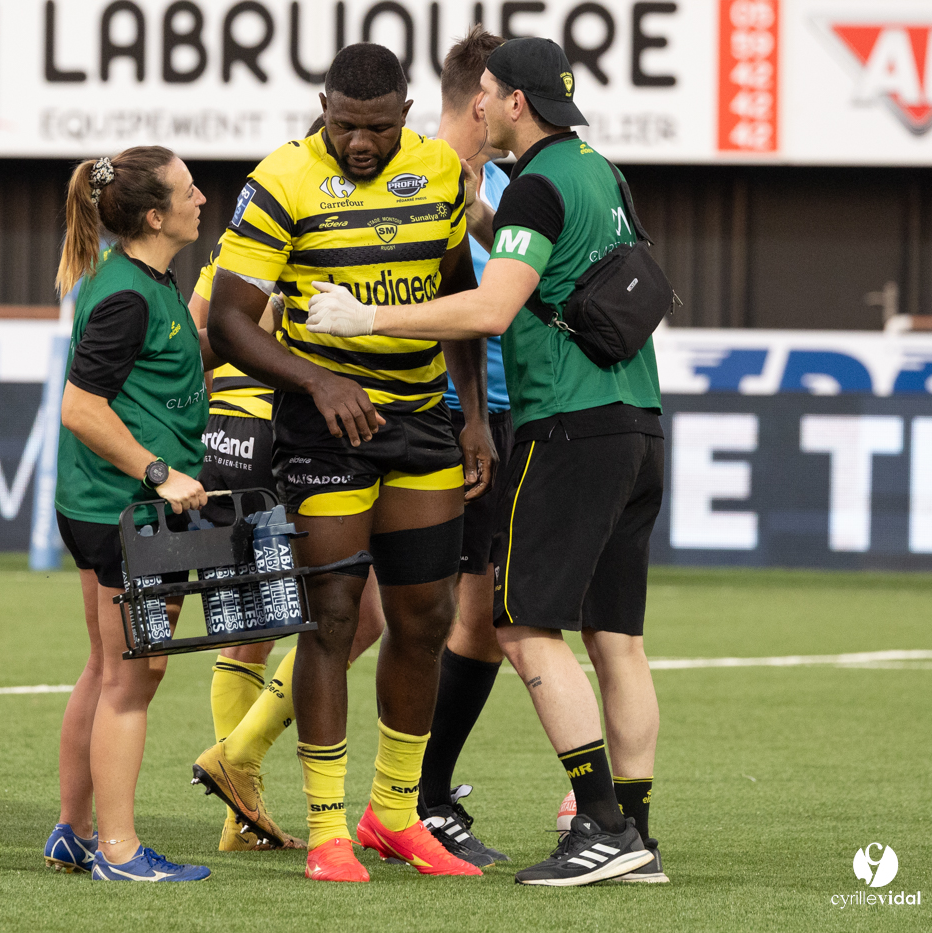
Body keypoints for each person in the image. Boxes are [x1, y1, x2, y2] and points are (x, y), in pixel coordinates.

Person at [305, 37, 665, 886]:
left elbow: (498, 306)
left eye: (491, 94)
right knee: (617, 638)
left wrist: (365, 320)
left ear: (513, 102)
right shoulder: (598, 170)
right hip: (639, 423)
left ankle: (602, 825)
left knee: (522, 627)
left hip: (569, 427)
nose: (480, 107)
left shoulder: (536, 183)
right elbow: (560, 266)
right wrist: (470, 226)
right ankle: (637, 831)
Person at [200, 42, 493, 883]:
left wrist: (471, 416)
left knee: (426, 618)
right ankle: (327, 830)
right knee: (329, 616)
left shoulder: (441, 172)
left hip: (420, 425)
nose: (358, 144)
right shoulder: (282, 179)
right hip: (323, 429)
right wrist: (317, 378)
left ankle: (394, 815)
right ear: (321, 106)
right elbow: (230, 320)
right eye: (342, 126)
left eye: (374, 128)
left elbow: (457, 297)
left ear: (404, 112)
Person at [189, 116, 386, 855]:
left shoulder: (233, 253)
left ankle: (240, 813)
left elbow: (193, 342)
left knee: (252, 631)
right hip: (275, 444)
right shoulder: (317, 247)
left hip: (223, 441)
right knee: (356, 616)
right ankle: (237, 759)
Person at [43, 146, 214, 882]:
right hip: (128, 514)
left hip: (102, 508)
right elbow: (80, 407)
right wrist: (161, 473)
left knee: (104, 670)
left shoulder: (142, 280)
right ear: (155, 215)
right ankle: (117, 850)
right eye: (188, 189)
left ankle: (74, 831)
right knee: (129, 681)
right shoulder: (127, 293)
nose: (202, 197)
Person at [415, 24, 514, 869]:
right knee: (387, 613)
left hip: (500, 415)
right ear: (481, 98)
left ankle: (426, 790)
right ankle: (413, 796)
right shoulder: (413, 176)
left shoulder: (517, 184)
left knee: (476, 620)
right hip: (429, 413)